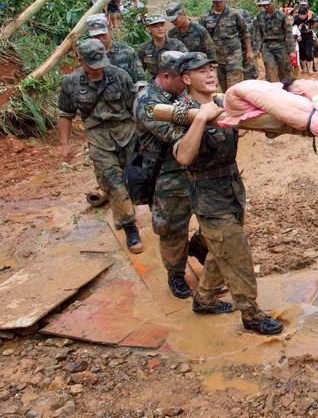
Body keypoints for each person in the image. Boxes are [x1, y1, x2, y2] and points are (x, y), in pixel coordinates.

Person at [172, 52, 283, 335]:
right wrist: (200, 120)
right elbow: (183, 156)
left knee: (221, 249)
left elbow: (251, 123)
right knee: (236, 253)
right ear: (186, 79)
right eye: (201, 71)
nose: (210, 74)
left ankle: (205, 298)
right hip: (208, 195)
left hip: (233, 187)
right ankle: (251, 313)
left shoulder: (222, 101)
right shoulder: (181, 110)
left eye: (211, 68)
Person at [58, 39, 143, 253]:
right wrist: (65, 144)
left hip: (126, 134)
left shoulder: (119, 76)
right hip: (98, 138)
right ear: (80, 60)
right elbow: (66, 114)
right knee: (113, 182)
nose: (98, 69)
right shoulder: (71, 83)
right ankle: (131, 229)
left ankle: (122, 211)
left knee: (132, 179)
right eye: (92, 65)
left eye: (100, 62)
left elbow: (135, 108)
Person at [133, 50, 194, 299]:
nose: (187, 82)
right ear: (166, 76)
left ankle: (198, 250)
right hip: (166, 176)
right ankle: (176, 274)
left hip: (191, 170)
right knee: (172, 228)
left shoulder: (180, 93)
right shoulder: (149, 101)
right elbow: (174, 134)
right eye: (183, 77)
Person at [199, 0, 252, 91]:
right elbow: (203, 38)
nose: (217, 4)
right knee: (223, 88)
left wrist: (249, 51)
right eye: (215, 1)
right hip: (217, 58)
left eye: (219, 1)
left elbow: (245, 32)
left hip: (234, 57)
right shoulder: (205, 17)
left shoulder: (234, 14)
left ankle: (236, 106)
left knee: (235, 87)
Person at [86, 15, 145, 86]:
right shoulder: (87, 55)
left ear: (110, 29)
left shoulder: (127, 52)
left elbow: (140, 82)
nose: (101, 38)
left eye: (103, 34)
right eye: (96, 36)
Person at [254, 0, 293, 82]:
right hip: (267, 46)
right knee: (270, 67)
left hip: (280, 45)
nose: (266, 7)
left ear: (272, 1)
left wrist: (291, 50)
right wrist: (258, 49)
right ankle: (274, 88)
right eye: (264, 5)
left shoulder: (281, 16)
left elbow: (288, 33)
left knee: (284, 69)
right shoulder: (260, 16)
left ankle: (287, 88)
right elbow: (258, 34)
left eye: (268, 4)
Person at [137, 13, 187, 79]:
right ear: (148, 29)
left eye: (162, 25)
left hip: (175, 82)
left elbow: (187, 64)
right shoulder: (144, 48)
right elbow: (138, 71)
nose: (160, 29)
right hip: (155, 84)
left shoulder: (177, 44)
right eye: (155, 26)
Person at [294, 0, 318, 74]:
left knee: (309, 51)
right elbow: (292, 24)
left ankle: (312, 68)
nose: (303, 6)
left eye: (304, 5)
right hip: (299, 35)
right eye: (301, 4)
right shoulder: (295, 14)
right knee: (301, 52)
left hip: (309, 34)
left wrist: (313, 27)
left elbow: (317, 21)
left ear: (307, 5)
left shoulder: (311, 14)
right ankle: (304, 68)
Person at [238, 6, 260, 80]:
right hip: (236, 54)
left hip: (248, 52)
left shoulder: (250, 27)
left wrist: (254, 51)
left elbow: (254, 39)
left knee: (250, 76)